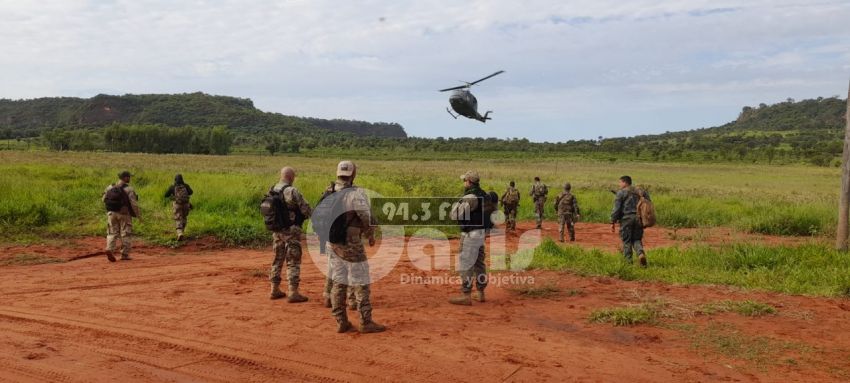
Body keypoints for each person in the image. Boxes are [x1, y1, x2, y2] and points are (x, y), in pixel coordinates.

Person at [326, 161, 385, 333]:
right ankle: (365, 322)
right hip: (351, 243)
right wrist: (370, 234)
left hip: (333, 243)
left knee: (338, 282)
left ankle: (341, 322)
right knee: (361, 281)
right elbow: (366, 217)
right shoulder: (354, 194)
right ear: (353, 174)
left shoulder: (329, 191)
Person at [268, 167, 313, 303]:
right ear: (291, 177)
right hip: (291, 230)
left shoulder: (272, 189)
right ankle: (293, 292)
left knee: (277, 259)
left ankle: (274, 289)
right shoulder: (292, 191)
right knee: (293, 260)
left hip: (277, 230)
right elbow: (306, 209)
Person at [449, 170, 488, 306]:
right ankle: (481, 292)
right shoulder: (484, 194)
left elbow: (454, 215)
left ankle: (466, 295)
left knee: (466, 263)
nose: (464, 182)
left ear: (469, 181)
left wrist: (456, 203)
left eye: (465, 180)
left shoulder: (470, 197)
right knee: (479, 263)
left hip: (470, 234)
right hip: (481, 233)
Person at [611, 175, 650, 267]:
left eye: (620, 182)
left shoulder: (621, 193)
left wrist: (612, 221)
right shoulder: (641, 191)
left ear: (625, 182)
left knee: (627, 241)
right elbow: (648, 203)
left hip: (626, 219)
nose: (619, 184)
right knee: (636, 239)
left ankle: (628, 263)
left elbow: (616, 209)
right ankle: (640, 253)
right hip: (638, 219)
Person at [102, 170, 140, 262]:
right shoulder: (129, 189)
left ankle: (109, 249)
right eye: (129, 177)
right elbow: (133, 203)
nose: (130, 178)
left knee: (112, 232)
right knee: (125, 233)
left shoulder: (110, 186)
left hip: (111, 213)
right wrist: (138, 215)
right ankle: (124, 254)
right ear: (125, 178)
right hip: (124, 214)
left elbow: (103, 199)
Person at [164, 174, 193, 241]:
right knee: (184, 217)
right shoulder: (186, 185)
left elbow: (166, 195)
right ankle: (182, 231)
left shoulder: (173, 187)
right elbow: (191, 192)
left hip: (177, 205)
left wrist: (172, 194)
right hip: (186, 205)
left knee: (178, 218)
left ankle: (180, 233)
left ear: (175, 180)